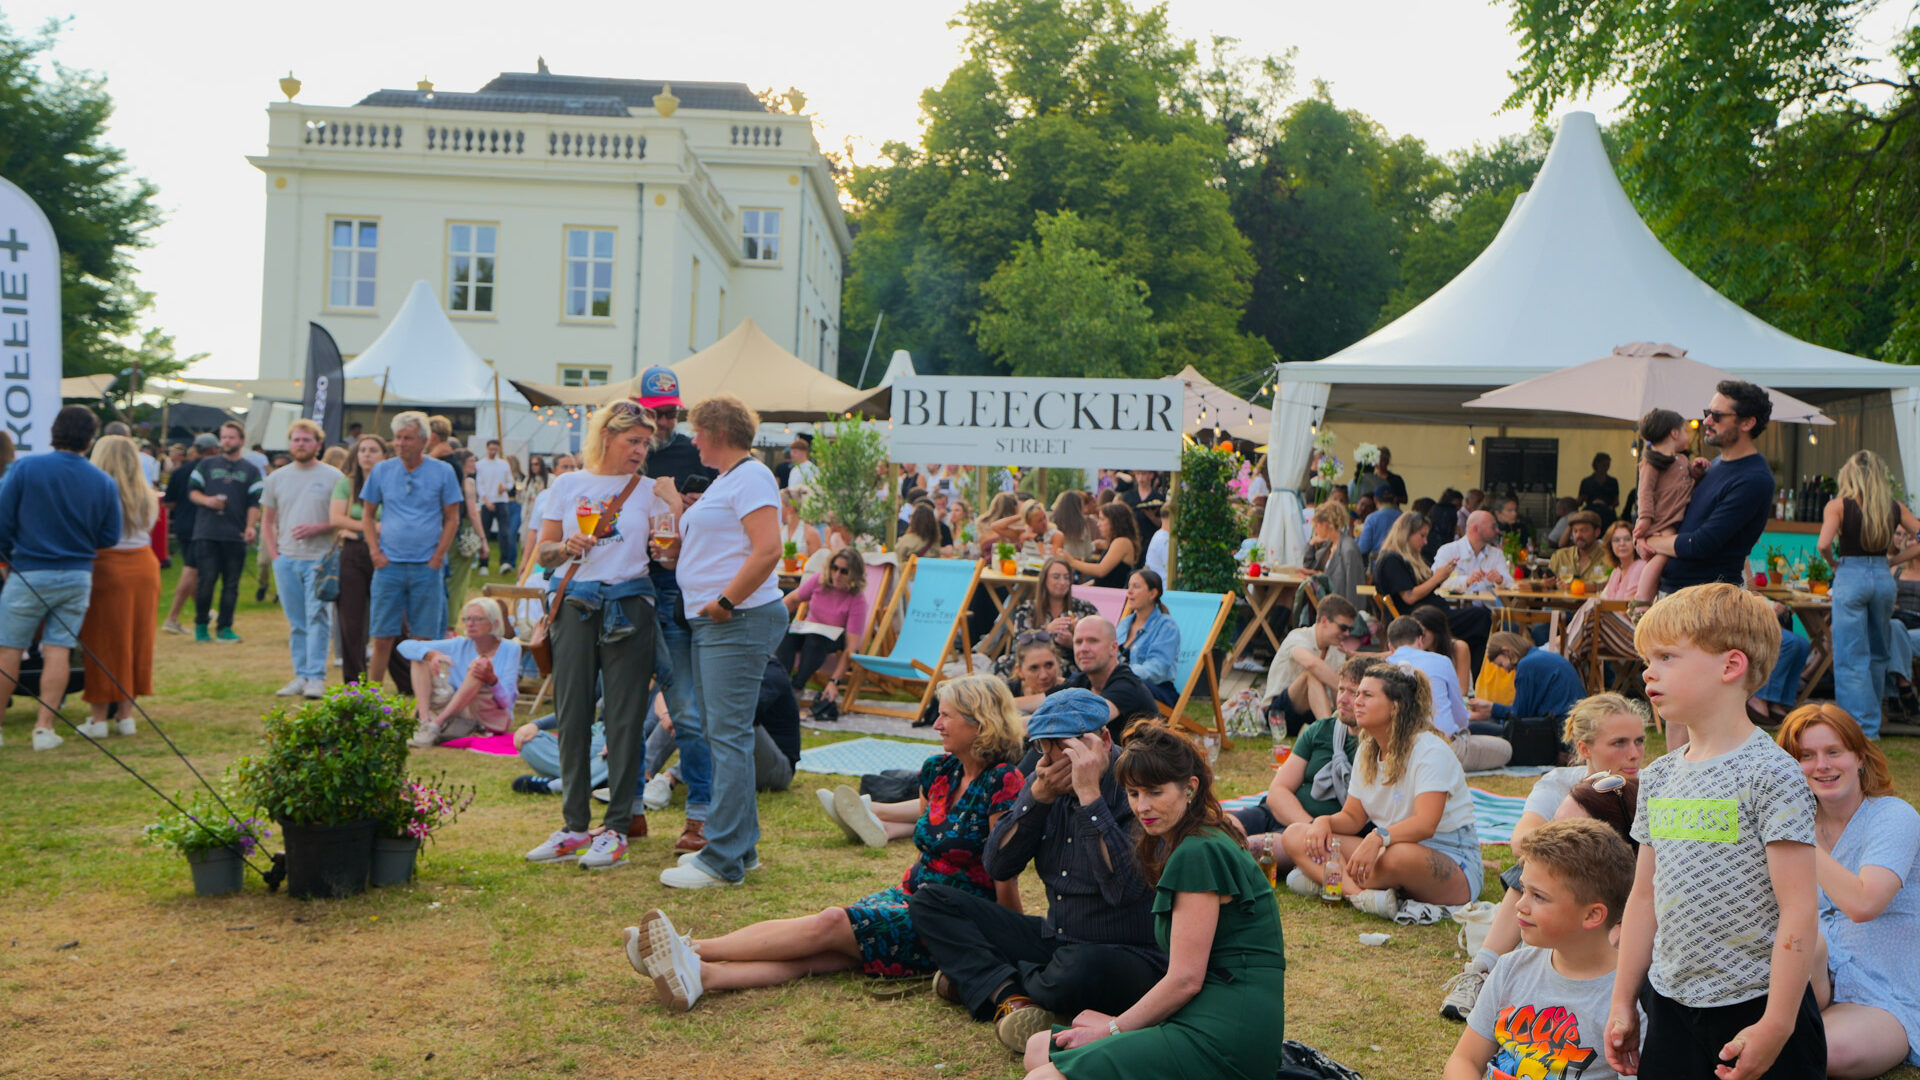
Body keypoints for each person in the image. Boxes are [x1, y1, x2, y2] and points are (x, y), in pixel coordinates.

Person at [627, 674, 1026, 1009]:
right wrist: (872, 809)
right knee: (820, 956)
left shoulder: (1002, 780)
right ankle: (701, 977)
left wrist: (1014, 937)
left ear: (980, 722)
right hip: (913, 892)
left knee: (832, 922)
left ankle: (691, 949)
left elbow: (1002, 869)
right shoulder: (942, 770)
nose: (936, 724)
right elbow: (925, 812)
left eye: (946, 716)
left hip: (951, 921)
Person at [1605, 583, 1823, 1080]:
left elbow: (1799, 907)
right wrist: (1623, 999)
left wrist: (1777, 1024)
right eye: (1647, 658)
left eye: (1666, 656)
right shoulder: (1659, 776)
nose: (1648, 671)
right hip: (1671, 1005)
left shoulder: (1770, 774)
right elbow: (1643, 898)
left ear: (1730, 666)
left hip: (1758, 1005)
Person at [1022, 721, 1286, 1080]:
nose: (1142, 806)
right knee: (1039, 1047)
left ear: (1189, 788)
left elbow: (1185, 980)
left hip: (1223, 1034)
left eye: (1154, 792)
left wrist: (1113, 1028)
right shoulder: (1200, 835)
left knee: (1043, 1077)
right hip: (1202, 1013)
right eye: (1133, 794)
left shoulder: (1198, 852)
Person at [911, 689, 1170, 1053]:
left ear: (1103, 739)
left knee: (1076, 970)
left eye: (1066, 747)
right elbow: (998, 865)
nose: (1054, 759)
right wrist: (1037, 799)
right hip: (1058, 938)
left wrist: (1089, 798)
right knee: (931, 901)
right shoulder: (1043, 776)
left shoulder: (1137, 788)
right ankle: (1007, 993)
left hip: (1125, 953)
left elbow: (1123, 889)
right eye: (1045, 747)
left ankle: (980, 978)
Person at [523, 401, 671, 872]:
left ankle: (616, 828)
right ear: (607, 436)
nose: (641, 450)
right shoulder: (567, 484)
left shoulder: (649, 490)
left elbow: (669, 554)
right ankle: (573, 825)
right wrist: (564, 546)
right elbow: (543, 554)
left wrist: (666, 549)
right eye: (634, 441)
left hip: (629, 604)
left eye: (646, 443)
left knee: (624, 718)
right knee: (571, 713)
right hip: (574, 604)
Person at [1440, 693, 1646, 1021]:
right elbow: (1522, 840)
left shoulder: (1649, 788)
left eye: (1639, 741)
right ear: (1584, 749)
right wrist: (1572, 831)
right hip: (1570, 895)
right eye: (1619, 743)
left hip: (1628, 901)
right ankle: (1480, 971)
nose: (1634, 754)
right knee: (1529, 866)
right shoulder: (1561, 784)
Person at [657, 394, 788, 889]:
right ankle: (740, 847)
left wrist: (725, 603)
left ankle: (724, 858)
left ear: (715, 433)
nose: (692, 440)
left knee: (727, 737)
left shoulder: (751, 476)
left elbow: (768, 549)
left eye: (697, 431)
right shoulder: (731, 480)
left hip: (735, 620)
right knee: (723, 735)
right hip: (719, 621)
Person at [1772, 705, 1920, 1077]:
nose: (1821, 765)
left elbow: (1864, 902)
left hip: (1884, 992)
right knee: (1810, 945)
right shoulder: (1794, 823)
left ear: (1859, 756)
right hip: (1810, 978)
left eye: (1833, 752)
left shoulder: (1893, 817)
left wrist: (1795, 834)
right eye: (1806, 756)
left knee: (1821, 1049)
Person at [1284, 662, 1484, 919]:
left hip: (1452, 862)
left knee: (1397, 856)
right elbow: (1353, 818)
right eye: (1358, 694)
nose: (1357, 702)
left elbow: (1425, 825)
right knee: (1296, 834)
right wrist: (1323, 822)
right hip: (1387, 850)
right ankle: (1357, 895)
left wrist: (1377, 837)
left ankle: (1329, 878)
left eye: (1367, 695)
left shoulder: (1430, 751)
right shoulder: (1367, 750)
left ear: (1395, 707)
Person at [1445, 819, 1640, 1080]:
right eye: (1523, 890)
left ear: (1593, 914)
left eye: (1538, 896)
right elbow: (1465, 1059)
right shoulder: (1511, 968)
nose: (1520, 905)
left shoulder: (1628, 1002)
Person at [0, 406, 120, 751]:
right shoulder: (102, 480)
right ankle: (44, 728)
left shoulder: (25, 468)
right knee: (58, 650)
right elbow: (110, 535)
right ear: (90, 438)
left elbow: (3, 520)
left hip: (28, 571)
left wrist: (10, 550)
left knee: (9, 648)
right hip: (77, 574)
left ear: (54, 431)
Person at [360, 412, 463, 694]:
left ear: (424, 440)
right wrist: (374, 551)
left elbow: (452, 517)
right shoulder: (381, 471)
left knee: (424, 638)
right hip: (388, 565)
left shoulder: (442, 472)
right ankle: (371, 697)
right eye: (397, 438)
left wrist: (438, 555)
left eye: (407, 438)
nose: (400, 444)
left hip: (426, 566)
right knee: (382, 635)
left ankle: (425, 701)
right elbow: (367, 515)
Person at [1644, 380, 1776, 598]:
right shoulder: (1713, 466)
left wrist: (1650, 541)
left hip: (1708, 604)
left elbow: (1700, 544)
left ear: (1747, 423)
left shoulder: (1754, 479)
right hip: (1679, 598)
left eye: (1717, 415)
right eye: (1707, 412)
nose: (1706, 420)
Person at [1242, 655, 1370, 877]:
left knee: (1247, 848)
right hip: (1285, 815)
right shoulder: (1322, 729)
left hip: (1318, 836)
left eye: (1354, 692)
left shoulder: (1376, 745)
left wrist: (1311, 831)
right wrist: (1310, 825)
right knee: (1219, 826)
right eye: (1341, 690)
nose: (1343, 699)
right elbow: (1278, 790)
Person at [1819, 450, 1915, 739]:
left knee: (1851, 655)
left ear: (1849, 475)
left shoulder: (1838, 506)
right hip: (1883, 579)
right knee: (1878, 651)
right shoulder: (1894, 507)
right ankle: (1872, 723)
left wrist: (1834, 564)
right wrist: (1896, 561)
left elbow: (1824, 544)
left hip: (1851, 575)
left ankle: (1857, 729)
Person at [74, 433, 161, 739]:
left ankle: (98, 718)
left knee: (102, 642)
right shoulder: (148, 496)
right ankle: (126, 716)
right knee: (137, 639)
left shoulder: (92, 492)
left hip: (106, 568)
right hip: (143, 567)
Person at [261, 419, 342, 699]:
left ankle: (316, 678)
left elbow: (342, 519)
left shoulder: (334, 477)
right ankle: (301, 675)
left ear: (318, 445)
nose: (301, 444)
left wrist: (320, 527)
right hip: (287, 559)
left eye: (306, 440)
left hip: (320, 559)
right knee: (297, 621)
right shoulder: (275, 479)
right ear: (290, 443)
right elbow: (268, 521)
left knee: (318, 617)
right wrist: (275, 556)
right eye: (296, 440)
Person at [1385, 616, 1513, 772]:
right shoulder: (1441, 661)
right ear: (1420, 640)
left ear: (1390, 646)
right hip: (1442, 747)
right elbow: (1459, 716)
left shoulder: (1383, 668)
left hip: (1399, 748)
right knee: (1505, 748)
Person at [1371, 512, 1491, 669]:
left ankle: (1471, 674)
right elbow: (1409, 597)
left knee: (1479, 620)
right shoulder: (1391, 560)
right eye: (1422, 536)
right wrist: (1437, 578)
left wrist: (1442, 575)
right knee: (1481, 618)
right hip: (1418, 620)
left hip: (1430, 616)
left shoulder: (1403, 558)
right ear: (1407, 534)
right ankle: (1474, 676)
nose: (1425, 541)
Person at [400, 597, 522, 746]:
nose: (470, 624)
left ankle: (436, 724)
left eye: (477, 619)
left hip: (492, 716)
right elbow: (406, 646)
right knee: (419, 657)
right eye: (467, 619)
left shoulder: (511, 649)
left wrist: (492, 680)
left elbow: (507, 701)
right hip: (459, 709)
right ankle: (424, 723)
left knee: (479, 666)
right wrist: (431, 654)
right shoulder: (459, 644)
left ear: (494, 623)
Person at [1015, 617, 1158, 737]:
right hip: (1109, 762)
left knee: (1057, 737)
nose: (1083, 648)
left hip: (1141, 766)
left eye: (1093, 641)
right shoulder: (1082, 681)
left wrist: (1011, 724)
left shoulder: (1126, 684)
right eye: (1078, 642)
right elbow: (1041, 701)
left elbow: (1087, 719)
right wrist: (998, 706)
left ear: (1113, 648)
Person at [187, 420, 263, 644]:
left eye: (231, 437)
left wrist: (250, 527)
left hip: (235, 534)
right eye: (224, 437)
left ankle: (225, 627)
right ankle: (201, 625)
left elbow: (254, 502)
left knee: (231, 584)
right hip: (207, 532)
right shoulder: (207, 464)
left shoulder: (250, 470)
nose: (226, 441)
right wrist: (207, 500)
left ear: (241, 441)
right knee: (206, 581)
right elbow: (192, 492)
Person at [329, 435, 389, 686]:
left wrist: (360, 528)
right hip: (353, 553)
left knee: (390, 618)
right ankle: (354, 681)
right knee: (351, 620)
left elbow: (394, 522)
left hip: (386, 553)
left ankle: (405, 678)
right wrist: (371, 527)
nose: (366, 454)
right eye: (362, 450)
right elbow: (336, 518)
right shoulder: (347, 484)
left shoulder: (391, 482)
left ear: (384, 455)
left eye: (373, 450)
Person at [778, 545, 869, 701]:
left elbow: (851, 647)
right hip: (807, 628)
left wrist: (834, 681)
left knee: (815, 641)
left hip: (833, 636)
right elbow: (792, 599)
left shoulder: (857, 600)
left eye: (844, 571)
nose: (837, 574)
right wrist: (773, 618)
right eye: (834, 568)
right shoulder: (820, 581)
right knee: (787, 633)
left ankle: (796, 687)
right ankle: (780, 683)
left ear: (854, 574)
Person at [1261, 594, 1355, 737]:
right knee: (1312, 673)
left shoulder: (1337, 650)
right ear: (1324, 621)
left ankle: (1339, 733)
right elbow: (1312, 664)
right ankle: (1330, 735)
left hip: (1312, 714)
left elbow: (1338, 694)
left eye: (1350, 629)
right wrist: (1350, 689)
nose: (1347, 633)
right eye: (1343, 627)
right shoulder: (1298, 637)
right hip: (1279, 713)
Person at [988, 557, 1098, 679]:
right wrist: (1046, 631)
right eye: (1056, 577)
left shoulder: (1084, 608)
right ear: (1045, 580)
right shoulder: (1028, 609)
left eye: (1067, 577)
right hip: (1032, 660)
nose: (1062, 582)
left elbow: (1099, 643)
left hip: (1067, 661)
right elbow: (1019, 643)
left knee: (1059, 667)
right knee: (1002, 663)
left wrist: (1073, 642)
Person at [1629, 408, 1697, 603]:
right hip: (1662, 521)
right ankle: (1642, 600)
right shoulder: (1651, 463)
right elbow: (1644, 492)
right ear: (1674, 433)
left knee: (1663, 557)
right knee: (1661, 558)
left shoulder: (1683, 459)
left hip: (1677, 519)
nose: (1687, 435)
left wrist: (1698, 470)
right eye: (1685, 430)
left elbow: (1690, 482)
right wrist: (1645, 518)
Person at [1469, 632, 1584, 734]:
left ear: (1506, 651)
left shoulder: (1526, 666)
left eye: (1501, 665)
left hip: (1560, 730)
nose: (1507, 671)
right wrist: (1490, 707)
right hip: (1572, 724)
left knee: (1473, 727)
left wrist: (1492, 710)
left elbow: (1518, 716)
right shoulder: (1542, 656)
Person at [160, 433, 217, 635]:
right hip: (201, 526)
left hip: (183, 525)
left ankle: (205, 611)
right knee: (191, 570)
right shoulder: (212, 471)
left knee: (194, 570)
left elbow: (168, 503)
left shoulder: (180, 471)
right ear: (213, 450)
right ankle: (172, 618)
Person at [1114, 570, 1180, 707]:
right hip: (1122, 684)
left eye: (1136, 586)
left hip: (1157, 690)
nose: (1129, 592)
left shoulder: (1166, 626)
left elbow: (1157, 670)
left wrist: (1122, 673)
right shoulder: (1125, 624)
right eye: (1129, 586)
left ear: (1152, 593)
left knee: (1123, 687)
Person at [441, 449, 490, 633]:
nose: (474, 465)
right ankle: (450, 624)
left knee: (449, 579)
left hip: (449, 532)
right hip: (464, 533)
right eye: (471, 460)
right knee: (458, 581)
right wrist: (483, 539)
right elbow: (473, 512)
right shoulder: (467, 482)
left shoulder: (448, 479)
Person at [1436, 510, 1514, 599]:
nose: (1497, 530)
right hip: (1457, 609)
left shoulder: (1497, 554)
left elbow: (1511, 584)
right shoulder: (1447, 551)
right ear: (1476, 529)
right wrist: (1467, 580)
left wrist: (1500, 580)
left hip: (1488, 610)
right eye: (1493, 527)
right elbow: (1439, 583)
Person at [1305, 500, 1365, 608]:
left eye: (1316, 526)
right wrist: (1311, 544)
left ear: (1325, 525)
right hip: (1329, 605)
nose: (1316, 531)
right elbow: (1310, 565)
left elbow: (1353, 587)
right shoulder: (1329, 546)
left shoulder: (1348, 549)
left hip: (1341, 609)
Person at [1067, 503, 1140, 590]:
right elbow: (1100, 580)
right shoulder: (1116, 541)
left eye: (1102, 519)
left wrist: (1071, 562)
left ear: (1115, 522)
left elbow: (1101, 571)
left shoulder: (1122, 542)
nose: (1098, 524)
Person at [476, 438, 517, 575]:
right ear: (487, 449)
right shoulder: (480, 465)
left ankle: (504, 562)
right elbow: (479, 484)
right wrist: (486, 500)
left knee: (504, 533)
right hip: (487, 501)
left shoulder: (503, 464)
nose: (493, 451)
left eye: (495, 449)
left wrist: (505, 488)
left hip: (501, 501)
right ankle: (483, 563)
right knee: (484, 533)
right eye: (491, 449)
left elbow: (511, 482)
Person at [1547, 511, 1609, 590]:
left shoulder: (1609, 557)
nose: (1578, 535)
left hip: (1594, 602)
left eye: (1584, 530)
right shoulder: (1560, 555)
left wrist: (1578, 587)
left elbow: (1610, 585)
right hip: (1561, 602)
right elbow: (1546, 584)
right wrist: (1545, 583)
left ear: (1597, 532)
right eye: (1575, 531)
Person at [1357, 485, 1402, 558]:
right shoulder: (1404, 517)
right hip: (1400, 563)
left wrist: (1358, 533)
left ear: (1375, 500)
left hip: (1377, 565)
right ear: (1395, 500)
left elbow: (1363, 549)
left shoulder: (1371, 518)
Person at [1051, 491, 1093, 561]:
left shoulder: (1053, 521)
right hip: (1077, 564)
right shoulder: (1083, 524)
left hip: (1057, 563)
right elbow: (1088, 552)